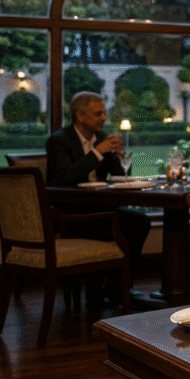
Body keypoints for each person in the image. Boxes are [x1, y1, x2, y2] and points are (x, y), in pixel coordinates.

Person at [45, 91, 151, 299]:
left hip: (101, 209)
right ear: (80, 116)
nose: (104, 118)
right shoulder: (58, 142)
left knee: (139, 222)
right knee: (118, 226)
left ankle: (118, 287)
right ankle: (101, 291)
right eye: (98, 114)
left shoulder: (102, 138)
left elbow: (122, 176)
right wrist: (97, 152)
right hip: (70, 214)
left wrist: (120, 157)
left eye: (104, 113)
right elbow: (67, 177)